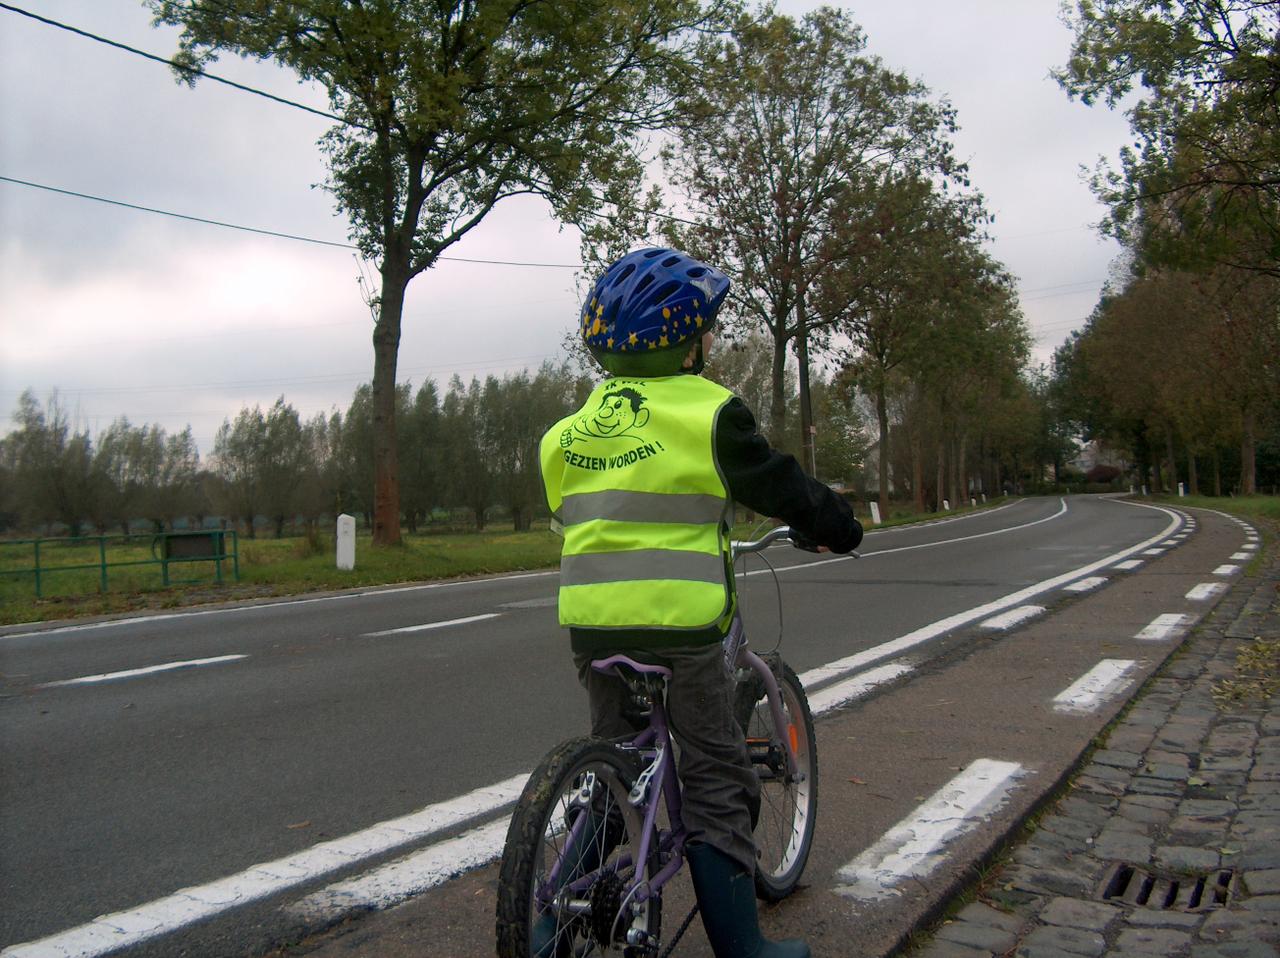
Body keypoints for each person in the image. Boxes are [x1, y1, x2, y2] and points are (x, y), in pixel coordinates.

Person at [539, 248, 863, 958]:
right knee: (716, 776)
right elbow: (781, 487)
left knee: (615, 764)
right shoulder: (712, 413)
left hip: (593, 630)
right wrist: (837, 526)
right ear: (688, 342)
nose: (710, 341)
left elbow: (572, 510)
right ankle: (746, 951)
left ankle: (548, 926)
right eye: (707, 331)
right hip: (684, 630)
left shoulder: (564, 435)